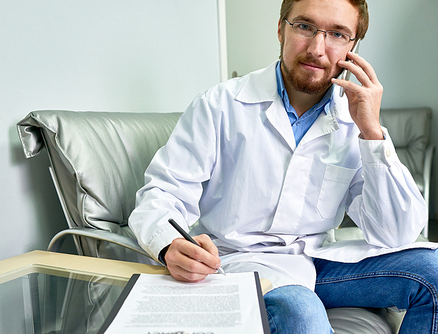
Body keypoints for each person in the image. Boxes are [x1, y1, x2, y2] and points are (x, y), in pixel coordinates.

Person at [129, 0, 438, 332]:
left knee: (433, 274)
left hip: (319, 264)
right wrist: (169, 244)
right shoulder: (219, 105)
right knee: (301, 312)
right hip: (239, 263)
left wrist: (372, 134)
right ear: (281, 29)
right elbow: (163, 192)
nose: (317, 49)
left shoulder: (356, 124)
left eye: (337, 34)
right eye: (305, 27)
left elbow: (397, 233)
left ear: (353, 48)